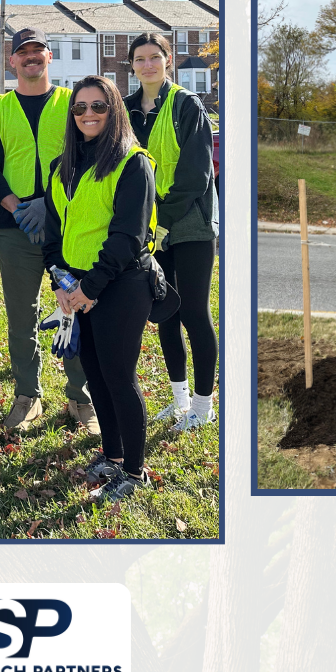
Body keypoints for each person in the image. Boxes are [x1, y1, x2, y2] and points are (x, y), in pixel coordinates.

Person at [44, 77, 176, 502]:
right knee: (96, 377)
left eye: (98, 106)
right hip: (78, 289)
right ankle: (113, 456)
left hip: (121, 284)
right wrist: (62, 283)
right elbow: (54, 233)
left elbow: (127, 238)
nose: (88, 114)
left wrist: (90, 288)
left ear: (114, 109)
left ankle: (134, 474)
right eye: (80, 107)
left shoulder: (132, 163)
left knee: (119, 378)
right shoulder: (62, 165)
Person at [0, 28, 96, 433]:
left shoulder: (71, 103)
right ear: (12, 61)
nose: (30, 58)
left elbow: (89, 153)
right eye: (22, 52)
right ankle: (28, 395)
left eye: (37, 51)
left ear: (49, 56)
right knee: (21, 315)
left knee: (77, 306)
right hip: (15, 227)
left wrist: (52, 201)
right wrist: (17, 205)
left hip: (70, 226)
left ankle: (81, 396)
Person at [124, 32, 219, 432]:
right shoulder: (124, 109)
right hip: (150, 226)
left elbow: (197, 173)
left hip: (190, 223)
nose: (147, 65)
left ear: (168, 60)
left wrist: (161, 219)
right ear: (131, 66)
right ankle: (179, 400)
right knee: (165, 312)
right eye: (140, 59)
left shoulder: (186, 104)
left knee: (195, 312)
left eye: (154, 57)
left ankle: (203, 405)